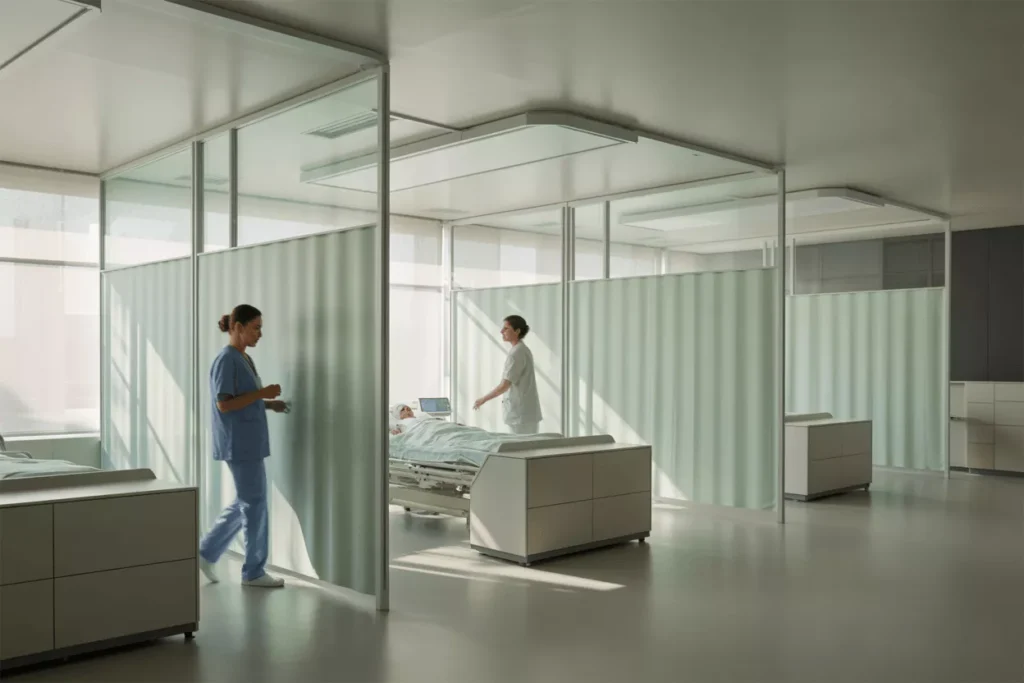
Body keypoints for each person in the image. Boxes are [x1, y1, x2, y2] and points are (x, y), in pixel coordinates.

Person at [198, 304, 288, 588]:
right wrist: (263, 393)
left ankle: (206, 552)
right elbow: (224, 404)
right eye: (256, 327)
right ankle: (253, 572)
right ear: (238, 327)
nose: (260, 334)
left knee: (248, 500)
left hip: (248, 441)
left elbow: (242, 398)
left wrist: (269, 404)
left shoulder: (243, 358)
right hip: (238, 443)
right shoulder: (227, 359)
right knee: (254, 503)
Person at [473, 314, 542, 435]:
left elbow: (504, 385)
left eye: (506, 328)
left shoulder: (516, 353)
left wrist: (483, 399)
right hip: (524, 414)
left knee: (521, 449)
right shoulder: (522, 350)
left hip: (520, 416)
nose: (501, 331)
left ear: (517, 331)